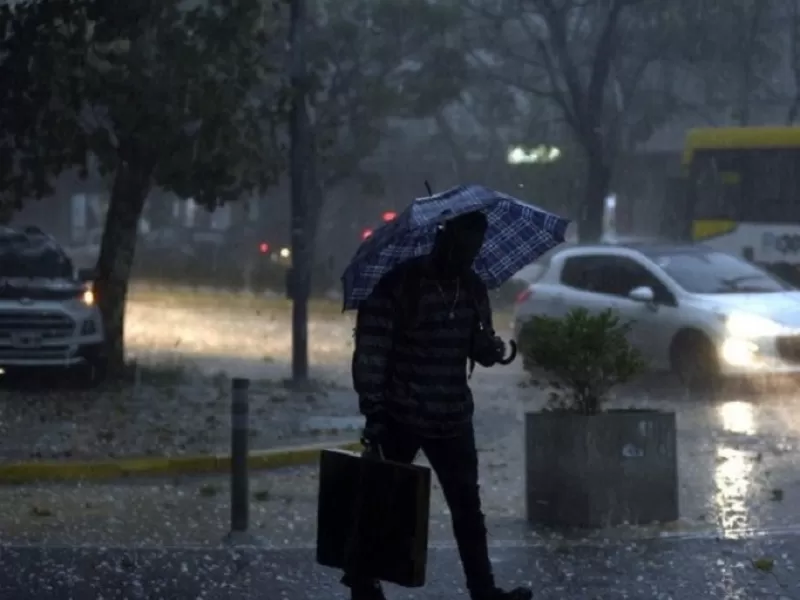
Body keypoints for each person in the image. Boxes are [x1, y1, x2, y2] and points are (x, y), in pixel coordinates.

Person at [345, 211, 533, 600]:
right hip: (401, 412)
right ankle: (364, 584)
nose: (468, 253)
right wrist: (374, 411)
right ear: (444, 237)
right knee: (383, 502)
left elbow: (478, 344)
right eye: (463, 244)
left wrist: (491, 350)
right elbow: (372, 349)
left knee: (468, 509)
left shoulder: (472, 286)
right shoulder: (400, 284)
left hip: (452, 416)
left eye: (475, 247)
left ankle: (483, 591)